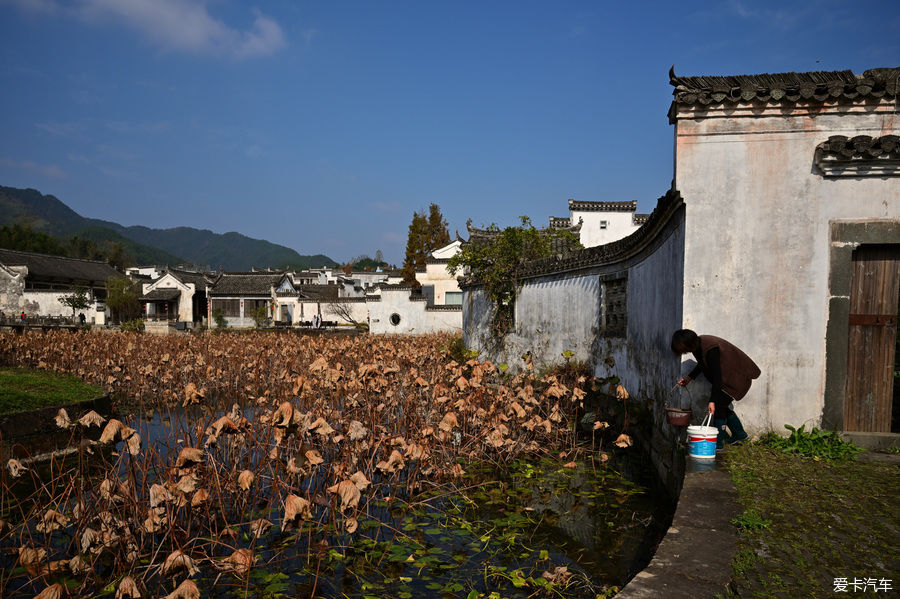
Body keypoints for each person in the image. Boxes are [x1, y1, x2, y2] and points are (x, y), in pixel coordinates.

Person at [671, 329, 759, 449]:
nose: (684, 352)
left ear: (689, 344)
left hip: (736, 380)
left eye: (683, 349)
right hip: (727, 379)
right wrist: (689, 378)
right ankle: (740, 435)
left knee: (718, 407)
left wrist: (712, 401)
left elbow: (717, 376)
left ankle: (718, 444)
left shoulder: (710, 348)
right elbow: (702, 364)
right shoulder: (698, 346)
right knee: (722, 407)